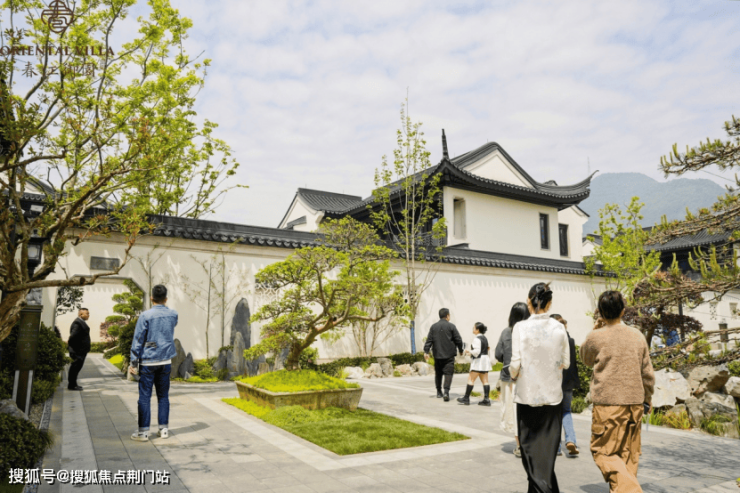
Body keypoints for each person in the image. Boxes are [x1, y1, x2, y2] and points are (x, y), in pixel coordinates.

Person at [580, 291, 655, 493]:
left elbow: (585, 359)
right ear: (623, 311)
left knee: (604, 452)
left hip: (608, 404)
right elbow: (647, 373)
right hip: (634, 403)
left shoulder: (596, 337)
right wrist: (647, 398)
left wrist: (593, 330)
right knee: (629, 455)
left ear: (600, 312)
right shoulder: (637, 336)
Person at [510, 282, 569, 493]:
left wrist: (514, 375)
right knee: (545, 459)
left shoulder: (520, 327)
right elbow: (566, 362)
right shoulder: (559, 327)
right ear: (549, 303)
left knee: (531, 456)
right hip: (552, 397)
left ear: (529, 301)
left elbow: (515, 364)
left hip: (527, 397)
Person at [129, 285, 179, 442]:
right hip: (166, 360)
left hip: (148, 361)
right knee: (163, 396)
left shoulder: (145, 316)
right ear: (166, 299)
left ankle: (143, 433)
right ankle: (163, 430)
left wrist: (133, 363)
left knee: (144, 397)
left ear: (151, 298)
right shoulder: (173, 314)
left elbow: (138, 339)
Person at [495, 301, 530, 458]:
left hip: (509, 378)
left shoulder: (506, 332)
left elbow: (498, 354)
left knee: (514, 412)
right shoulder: (530, 332)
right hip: (528, 378)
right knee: (528, 412)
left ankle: (519, 446)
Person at [550, 314, 580, 458]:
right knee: (566, 411)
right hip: (568, 382)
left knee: (554, 413)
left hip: (554, 382)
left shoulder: (551, 341)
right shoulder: (571, 340)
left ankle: (556, 447)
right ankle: (571, 440)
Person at [424, 308, 463, 402]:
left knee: (438, 374)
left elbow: (429, 340)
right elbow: (458, 339)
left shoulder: (434, 327)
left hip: (437, 355)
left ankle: (438, 392)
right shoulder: (451, 326)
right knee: (448, 373)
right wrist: (461, 350)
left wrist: (426, 351)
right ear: (447, 316)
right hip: (449, 355)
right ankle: (446, 392)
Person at [458, 322, 492, 406]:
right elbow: (487, 349)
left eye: (474, 328)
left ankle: (466, 398)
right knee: (485, 381)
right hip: (485, 361)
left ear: (477, 330)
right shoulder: (485, 338)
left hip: (478, 361)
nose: (473, 329)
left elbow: (477, 351)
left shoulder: (476, 339)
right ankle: (486, 399)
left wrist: (469, 351)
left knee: (471, 379)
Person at [67, 308, 91, 391]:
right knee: (75, 368)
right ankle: (71, 385)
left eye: (88, 313)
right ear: (81, 314)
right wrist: (74, 349)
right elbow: (72, 337)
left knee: (77, 368)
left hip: (80, 351)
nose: (88, 315)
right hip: (77, 351)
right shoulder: (77, 323)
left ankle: (74, 384)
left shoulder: (81, 322)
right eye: (87, 313)